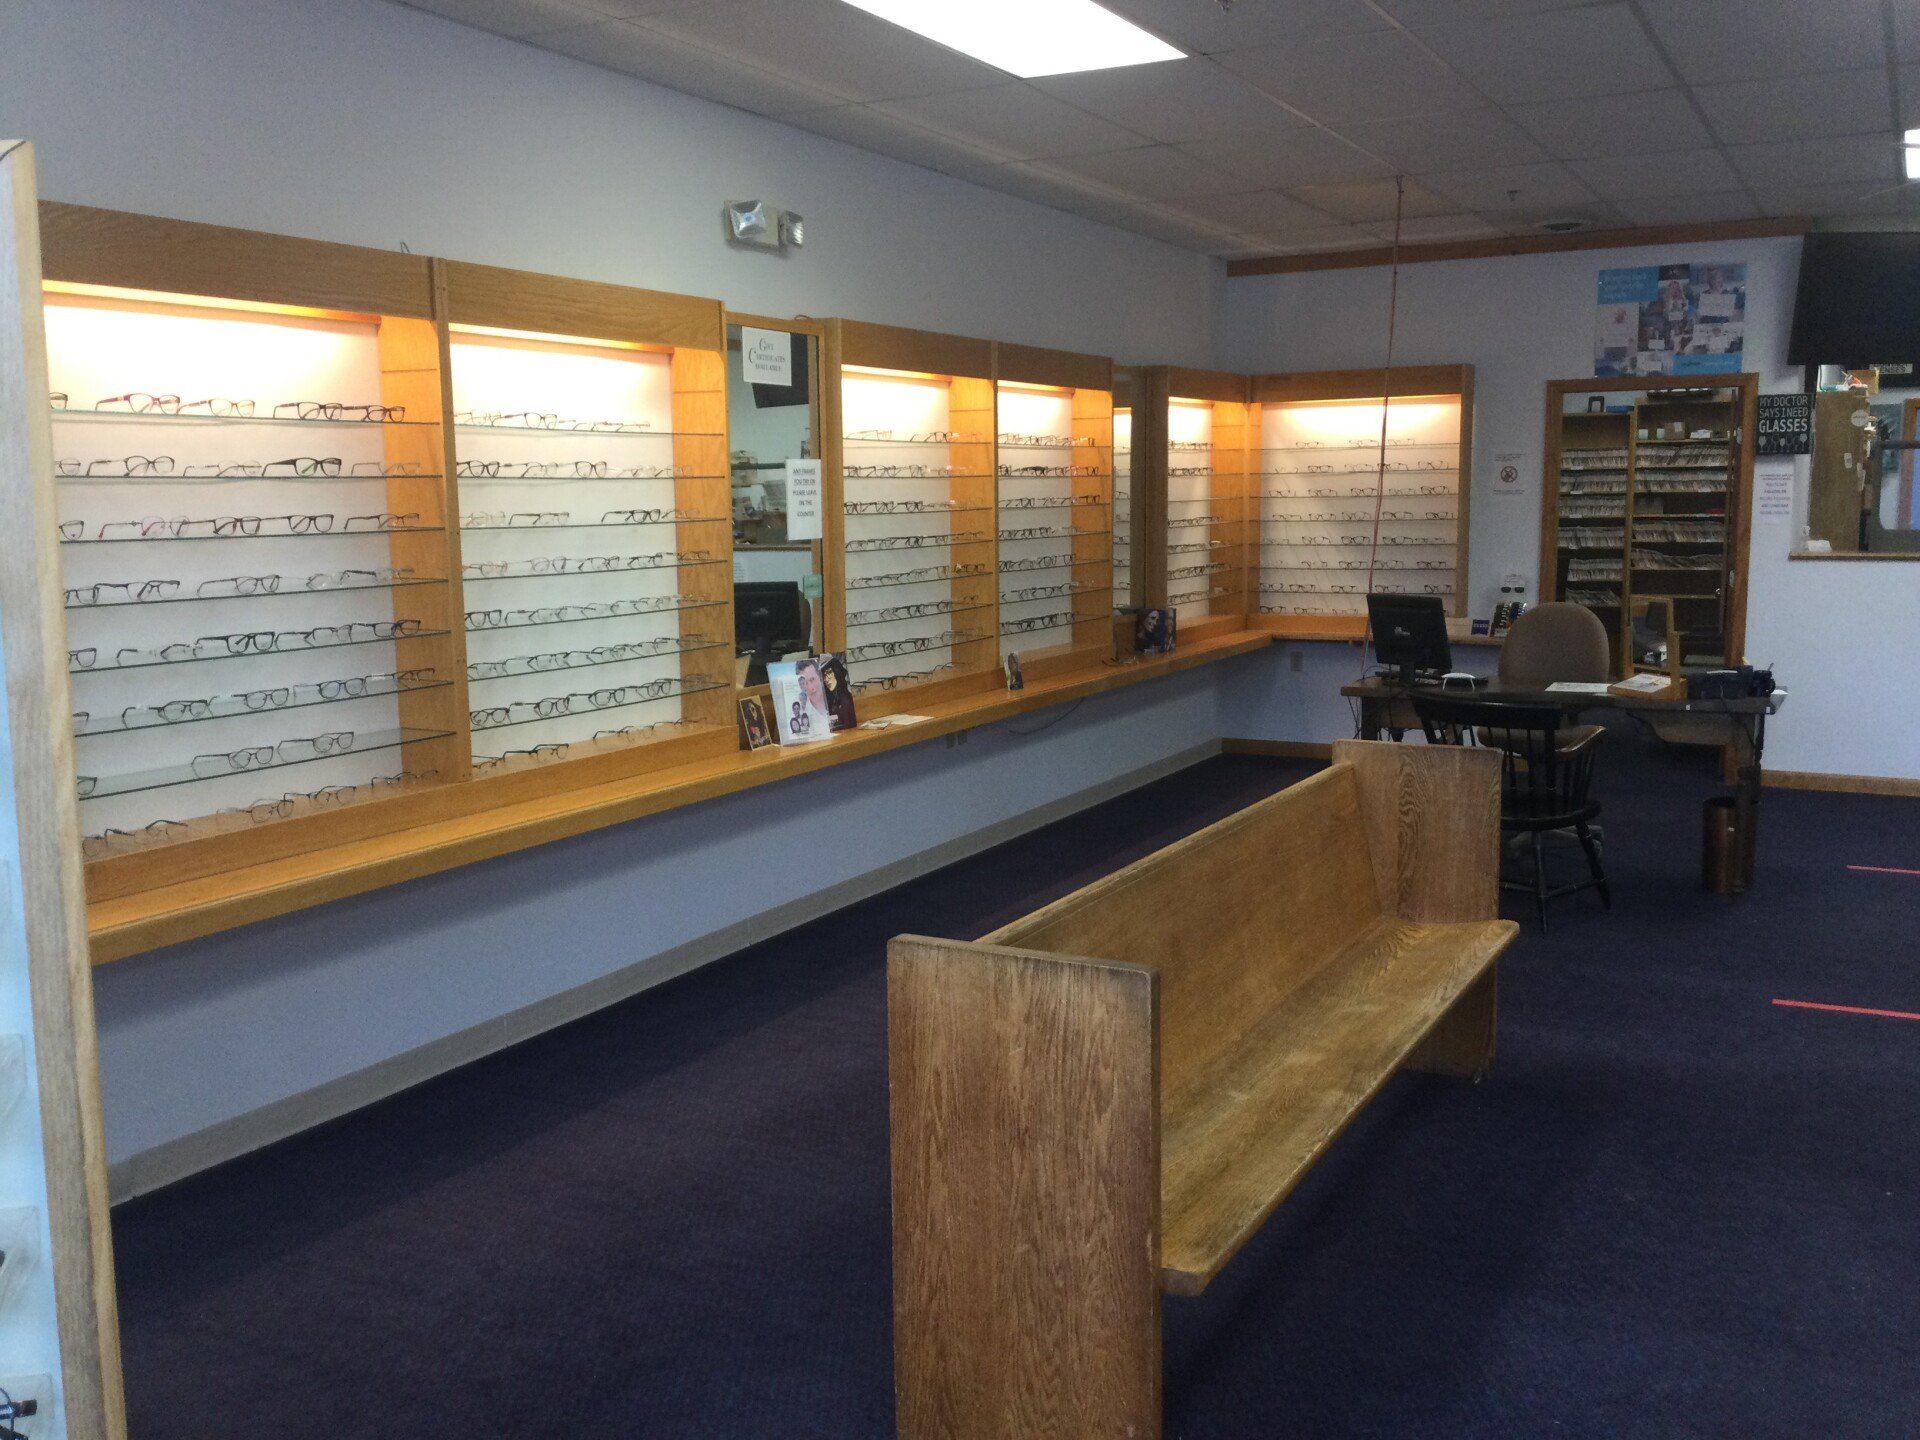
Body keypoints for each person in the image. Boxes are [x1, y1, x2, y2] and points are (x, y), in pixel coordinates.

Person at [818, 654, 857, 731]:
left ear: (837, 673)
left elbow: (848, 728)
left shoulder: (846, 700)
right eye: (824, 676)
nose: (826, 679)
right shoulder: (830, 700)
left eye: (829, 673)